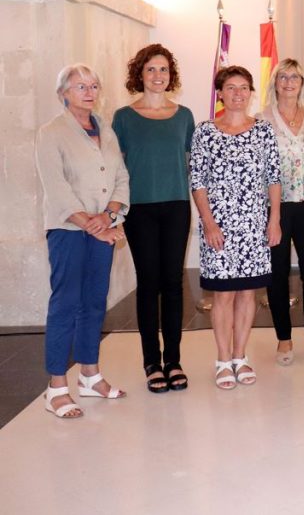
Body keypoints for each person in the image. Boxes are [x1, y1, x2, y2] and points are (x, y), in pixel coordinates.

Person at [36, 64, 129, 418]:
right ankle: (56, 386)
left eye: (93, 86)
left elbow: (121, 176)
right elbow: (56, 187)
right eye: (79, 87)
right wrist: (92, 223)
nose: (88, 92)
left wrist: (109, 217)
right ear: (64, 93)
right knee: (66, 303)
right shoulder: (51, 132)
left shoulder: (105, 129)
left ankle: (89, 376)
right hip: (67, 230)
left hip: (103, 227)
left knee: (94, 302)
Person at [190, 66, 281, 389]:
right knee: (224, 295)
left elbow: (273, 178)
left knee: (248, 293)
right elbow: (197, 181)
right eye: (231, 87)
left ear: (251, 92)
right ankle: (222, 360)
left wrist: (274, 219)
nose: (238, 94)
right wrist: (209, 223)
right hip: (219, 227)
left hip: (255, 225)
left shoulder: (264, 130)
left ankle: (241, 357)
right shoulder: (205, 131)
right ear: (221, 92)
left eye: (244, 88)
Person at [112, 44, 195, 393]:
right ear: (140, 75)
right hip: (140, 209)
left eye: (163, 69)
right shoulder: (124, 117)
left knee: (173, 283)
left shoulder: (185, 115)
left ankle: (173, 360)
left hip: (177, 206)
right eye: (151, 69)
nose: (158, 76)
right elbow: (115, 169)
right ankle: (151, 362)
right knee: (149, 283)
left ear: (170, 75)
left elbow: (192, 163)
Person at [260, 59, 304, 366]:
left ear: (302, 83)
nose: (288, 82)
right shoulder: (261, 119)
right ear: (275, 83)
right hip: (274, 207)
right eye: (282, 77)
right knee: (277, 274)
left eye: (294, 77)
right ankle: (284, 339)